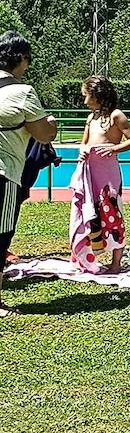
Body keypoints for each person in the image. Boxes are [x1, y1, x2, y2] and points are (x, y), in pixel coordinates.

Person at [0, 32, 57, 317]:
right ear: (20, 59)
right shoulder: (22, 92)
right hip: (4, 172)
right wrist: (50, 123)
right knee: (1, 233)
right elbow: (44, 134)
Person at [71, 76, 130, 273]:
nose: (84, 101)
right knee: (89, 212)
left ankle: (116, 263)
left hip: (108, 175)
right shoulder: (91, 117)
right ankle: (87, 257)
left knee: (112, 213)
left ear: (97, 95)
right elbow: (84, 142)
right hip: (90, 172)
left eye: (86, 96)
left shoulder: (117, 116)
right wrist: (82, 150)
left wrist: (114, 149)